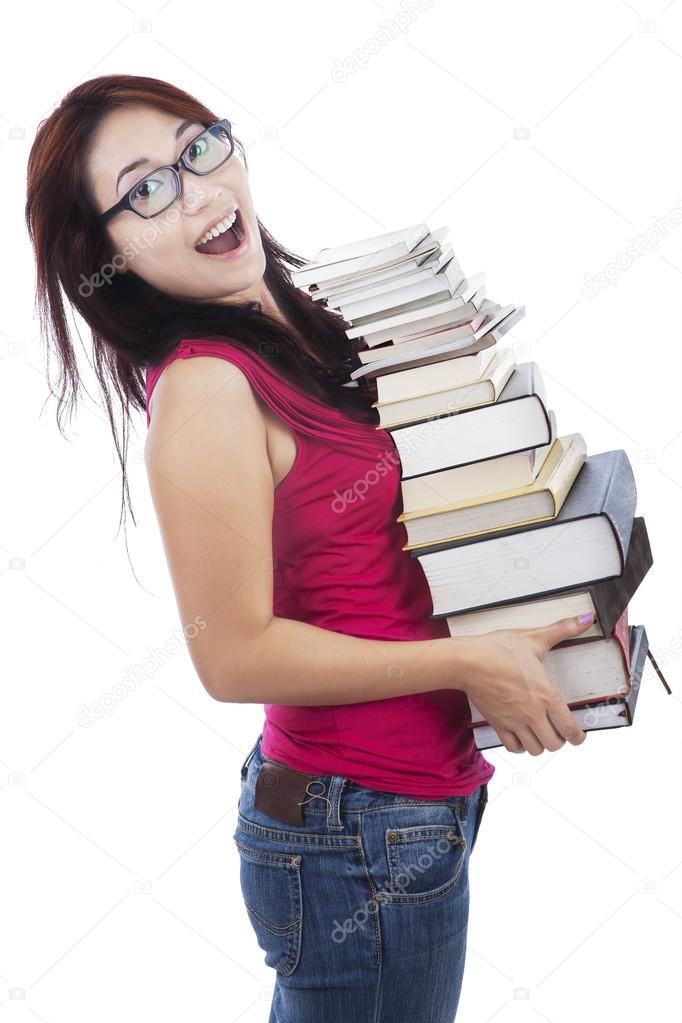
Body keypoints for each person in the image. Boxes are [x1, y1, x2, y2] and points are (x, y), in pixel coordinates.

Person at [25, 73, 592, 1022]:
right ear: (109, 257)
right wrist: (468, 662)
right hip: (356, 825)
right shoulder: (206, 390)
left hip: (404, 803)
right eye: (146, 188)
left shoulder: (298, 322)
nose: (198, 189)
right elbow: (230, 652)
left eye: (198, 147)